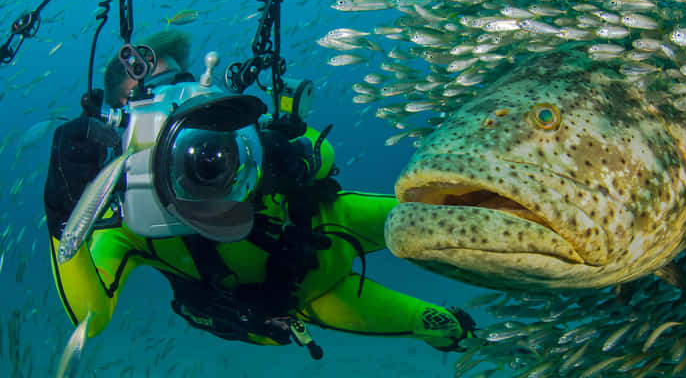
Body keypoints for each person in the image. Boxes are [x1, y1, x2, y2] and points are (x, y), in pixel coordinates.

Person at [43, 29, 476, 357]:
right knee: (443, 325)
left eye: (183, 83)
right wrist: (65, 219)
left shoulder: (237, 133)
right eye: (153, 97)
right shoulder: (127, 222)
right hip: (310, 297)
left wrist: (294, 156)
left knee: (465, 215)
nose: (175, 102)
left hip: (340, 218)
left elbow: (321, 150)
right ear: (121, 122)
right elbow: (90, 318)